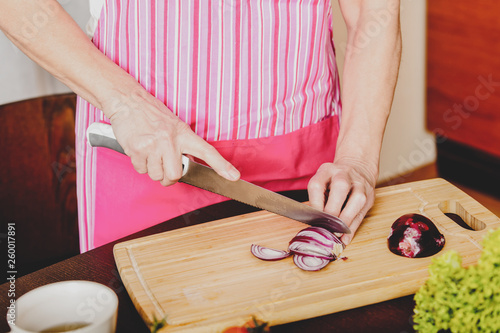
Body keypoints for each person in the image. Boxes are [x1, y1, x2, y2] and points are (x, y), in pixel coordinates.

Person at [0, 0, 401, 252]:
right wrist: (127, 104)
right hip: (144, 157)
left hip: (308, 166)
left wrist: (358, 158)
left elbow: (373, 11)